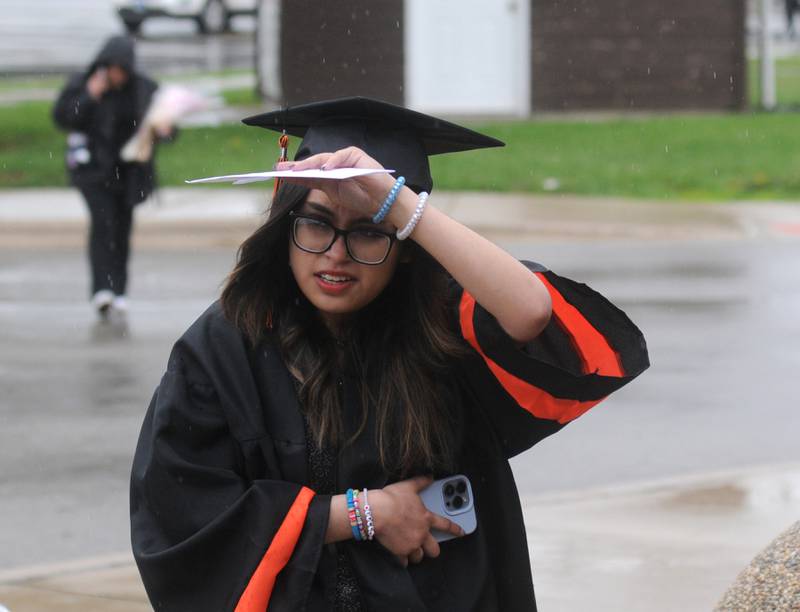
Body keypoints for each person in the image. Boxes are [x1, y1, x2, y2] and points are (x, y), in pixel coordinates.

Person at [130, 97, 650, 611]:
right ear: (284, 225)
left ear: (404, 244)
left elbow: (532, 315)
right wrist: (365, 513)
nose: (336, 254)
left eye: (369, 231)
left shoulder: (441, 325)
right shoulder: (226, 345)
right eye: (315, 224)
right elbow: (183, 512)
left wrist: (398, 202)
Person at [53, 35, 167, 318]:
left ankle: (119, 290)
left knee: (122, 228)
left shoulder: (143, 88)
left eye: (122, 69)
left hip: (129, 173)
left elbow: (165, 126)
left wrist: (163, 128)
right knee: (103, 224)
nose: (117, 75)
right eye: (112, 68)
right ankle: (101, 289)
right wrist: (91, 94)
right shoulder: (85, 83)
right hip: (94, 172)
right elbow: (64, 117)